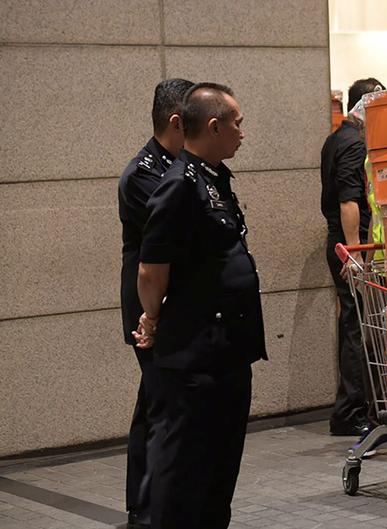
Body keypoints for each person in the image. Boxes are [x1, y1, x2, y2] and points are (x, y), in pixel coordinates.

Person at [136, 82, 267, 529]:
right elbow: (151, 270)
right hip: (194, 358)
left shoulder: (214, 179)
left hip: (227, 352)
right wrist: (152, 317)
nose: (242, 133)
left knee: (220, 468)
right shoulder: (178, 186)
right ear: (213, 126)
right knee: (184, 473)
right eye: (237, 123)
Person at [117, 77, 194, 529]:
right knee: (161, 405)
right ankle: (147, 508)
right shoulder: (143, 174)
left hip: (172, 300)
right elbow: (175, 241)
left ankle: (147, 503)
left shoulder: (183, 165)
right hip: (151, 302)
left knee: (155, 402)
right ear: (175, 121)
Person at [321, 77, 387, 454]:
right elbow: (350, 200)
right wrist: (355, 254)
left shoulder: (336, 138)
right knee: (358, 327)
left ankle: (350, 408)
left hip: (344, 243)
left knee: (353, 324)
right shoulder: (355, 143)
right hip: (352, 245)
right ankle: (354, 410)